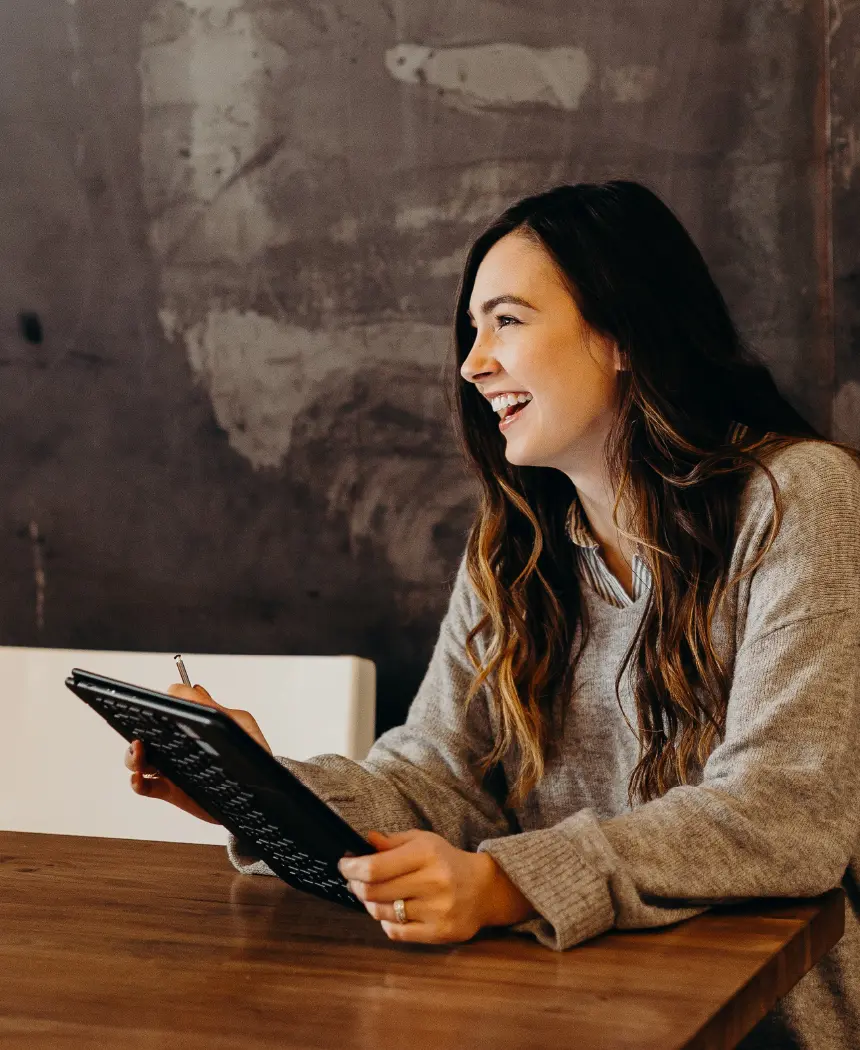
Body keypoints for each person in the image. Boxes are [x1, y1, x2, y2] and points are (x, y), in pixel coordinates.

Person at [126, 181, 860, 1048]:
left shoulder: (797, 498)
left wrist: (507, 885)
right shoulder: (511, 547)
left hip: (761, 1025)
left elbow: (786, 813)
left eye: (506, 321)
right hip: (559, 1009)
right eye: (474, 331)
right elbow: (437, 781)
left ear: (621, 332)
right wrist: (258, 790)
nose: (474, 364)